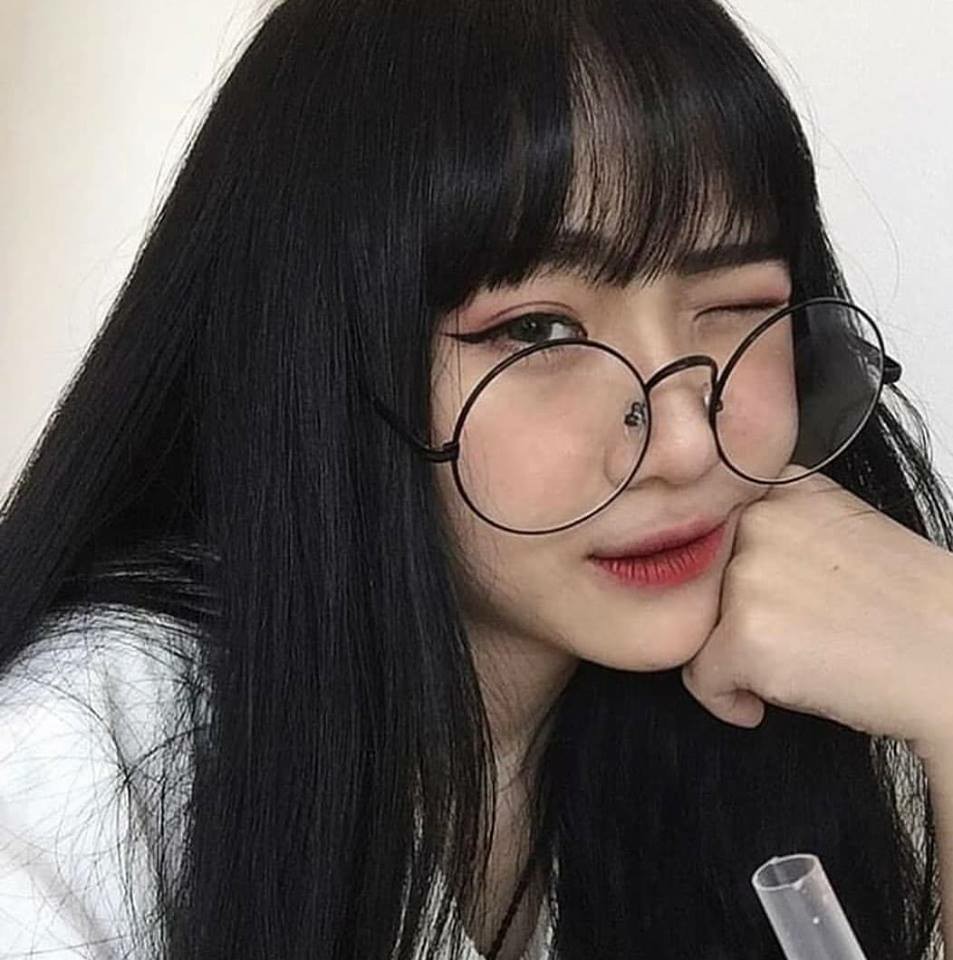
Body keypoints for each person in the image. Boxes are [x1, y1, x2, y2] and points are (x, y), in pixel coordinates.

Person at [2, 0, 953, 958]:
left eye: (738, 304)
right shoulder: (75, 772)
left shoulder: (718, 728)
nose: (683, 444)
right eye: (536, 331)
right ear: (324, 358)